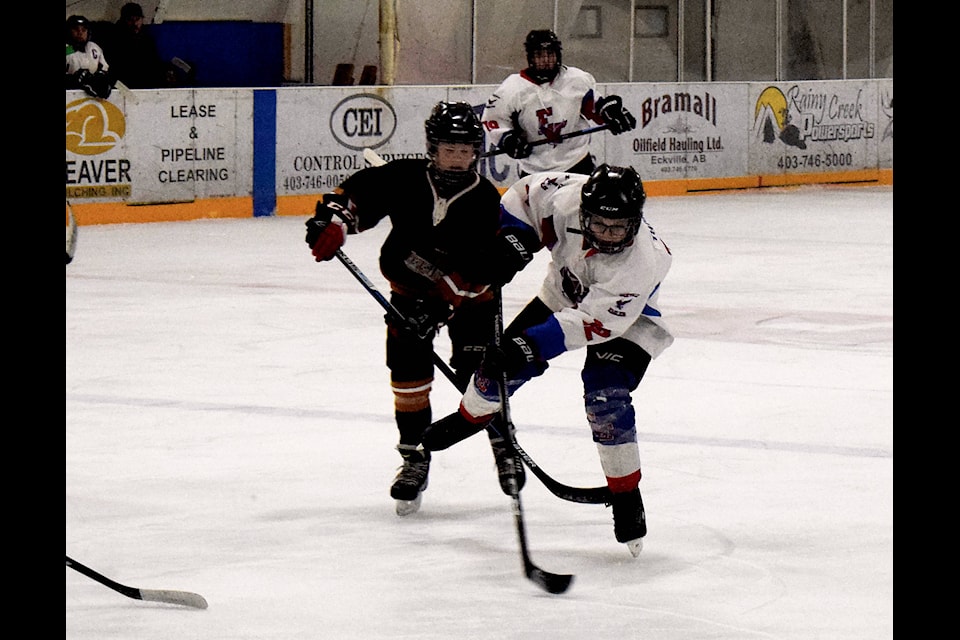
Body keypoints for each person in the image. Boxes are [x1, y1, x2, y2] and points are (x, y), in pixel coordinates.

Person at [421, 164, 673, 558]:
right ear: (585, 213)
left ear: (636, 222)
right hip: (563, 292)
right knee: (495, 365)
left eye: (618, 228)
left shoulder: (645, 261)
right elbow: (523, 197)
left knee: (606, 395)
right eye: (599, 225)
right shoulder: (564, 196)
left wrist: (530, 346)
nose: (607, 235)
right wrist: (514, 241)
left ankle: (626, 495)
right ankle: (470, 417)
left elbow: (595, 323)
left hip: (630, 320)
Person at [303, 101, 525, 516]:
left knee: (479, 374)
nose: (458, 158)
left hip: (472, 298)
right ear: (432, 148)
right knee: (408, 379)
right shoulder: (405, 177)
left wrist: (440, 309)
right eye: (449, 149)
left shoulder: (483, 200)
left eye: (465, 150)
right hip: (409, 294)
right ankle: (414, 456)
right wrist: (333, 221)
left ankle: (502, 441)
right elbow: (353, 197)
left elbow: (480, 270)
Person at [480, 29, 637, 177]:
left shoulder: (576, 79)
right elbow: (493, 120)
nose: (546, 60)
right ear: (531, 58)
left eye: (550, 54)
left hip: (576, 161)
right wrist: (509, 140)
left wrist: (611, 114)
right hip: (534, 169)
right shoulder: (512, 88)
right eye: (540, 55)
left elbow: (595, 108)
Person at [99, 3, 166, 89]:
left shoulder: (146, 38)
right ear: (123, 20)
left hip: (144, 84)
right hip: (121, 85)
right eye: (130, 20)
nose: (135, 23)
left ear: (142, 20)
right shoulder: (114, 38)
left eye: (137, 19)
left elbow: (154, 61)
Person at [65, 15, 114, 99]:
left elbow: (105, 68)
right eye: (76, 29)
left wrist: (101, 77)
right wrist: (73, 80)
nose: (80, 33)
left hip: (94, 100)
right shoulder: (67, 49)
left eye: (84, 30)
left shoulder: (94, 47)